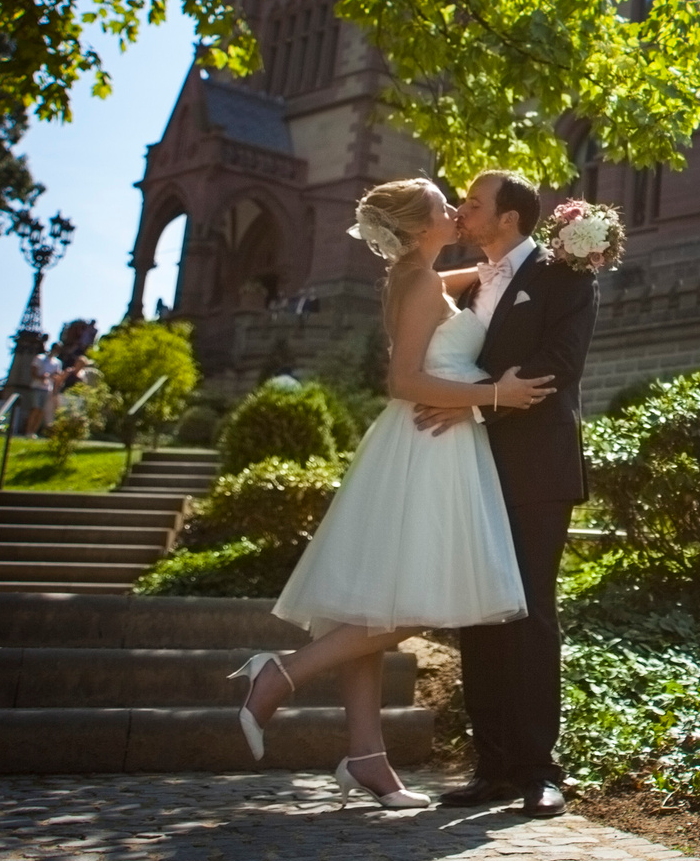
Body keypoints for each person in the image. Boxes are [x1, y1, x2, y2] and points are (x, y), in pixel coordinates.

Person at [231, 178, 556, 808]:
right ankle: (280, 673)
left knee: (371, 601)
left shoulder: (425, 277)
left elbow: (491, 276)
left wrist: (542, 260)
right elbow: (403, 379)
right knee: (411, 604)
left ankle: (367, 757)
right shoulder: (415, 283)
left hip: (430, 444)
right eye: (445, 207)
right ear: (418, 227)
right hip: (427, 446)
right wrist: (496, 395)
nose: (457, 213)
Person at [413, 169, 597, 819]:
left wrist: (478, 406)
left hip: (536, 469)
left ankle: (540, 769)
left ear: (510, 218)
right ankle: (490, 765)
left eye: (473, 202)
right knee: (475, 615)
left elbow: (559, 364)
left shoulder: (563, 274)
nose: (463, 210)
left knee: (527, 612)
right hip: (472, 468)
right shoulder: (476, 284)